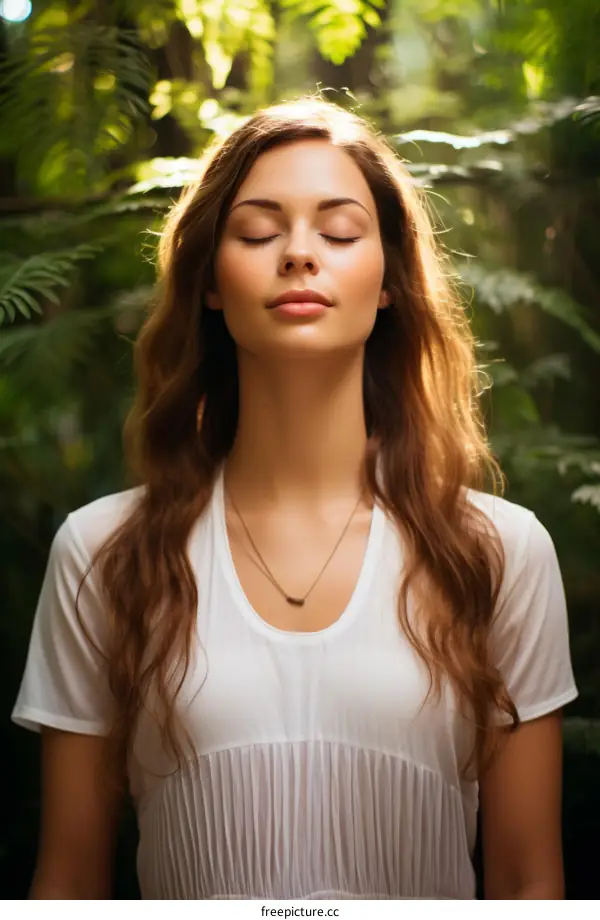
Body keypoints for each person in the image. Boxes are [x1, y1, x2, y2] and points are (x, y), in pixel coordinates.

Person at [12, 96, 578, 900]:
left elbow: (529, 886)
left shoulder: (497, 552)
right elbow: (67, 882)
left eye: (340, 231)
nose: (300, 255)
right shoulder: (103, 552)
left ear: (389, 280)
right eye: (258, 231)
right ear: (210, 281)